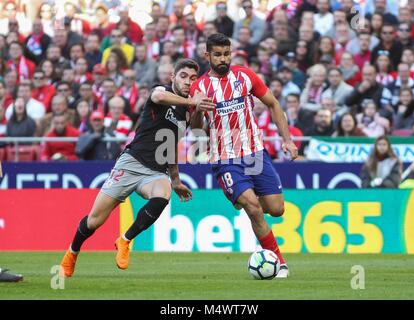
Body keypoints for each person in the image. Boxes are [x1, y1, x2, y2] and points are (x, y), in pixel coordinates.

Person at [60, 59, 214, 277]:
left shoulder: (187, 112)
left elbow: (180, 140)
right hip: (131, 163)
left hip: (155, 172)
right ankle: (72, 252)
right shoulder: (162, 91)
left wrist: (176, 179)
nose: (188, 82)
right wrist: (189, 101)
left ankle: (125, 240)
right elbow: (158, 97)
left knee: (164, 194)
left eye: (192, 78)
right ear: (173, 77)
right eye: (183, 76)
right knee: (95, 220)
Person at [190, 33, 298, 278]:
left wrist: (288, 140)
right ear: (207, 55)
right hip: (225, 157)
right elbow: (196, 132)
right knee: (253, 208)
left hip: (255, 152)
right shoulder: (200, 87)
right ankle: (279, 263)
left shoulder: (245, 76)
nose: (223, 59)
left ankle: (240, 197)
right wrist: (197, 109)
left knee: (276, 209)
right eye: (217, 54)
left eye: (226, 54)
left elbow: (273, 104)